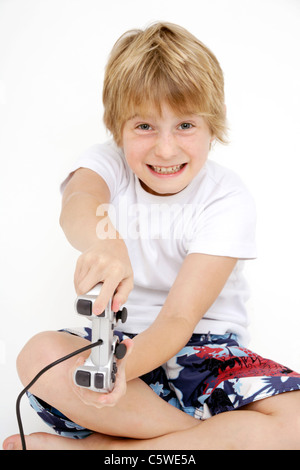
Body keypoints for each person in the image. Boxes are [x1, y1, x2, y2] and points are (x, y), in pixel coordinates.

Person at [3, 22, 300, 451]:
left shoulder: (227, 197)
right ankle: (205, 441)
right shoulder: (107, 165)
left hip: (205, 354)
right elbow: (79, 201)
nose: (165, 149)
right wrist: (106, 242)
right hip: (119, 349)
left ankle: (105, 449)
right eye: (144, 126)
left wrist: (124, 368)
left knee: (296, 418)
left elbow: (179, 319)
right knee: (39, 354)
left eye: (185, 125)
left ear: (212, 127)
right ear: (117, 127)